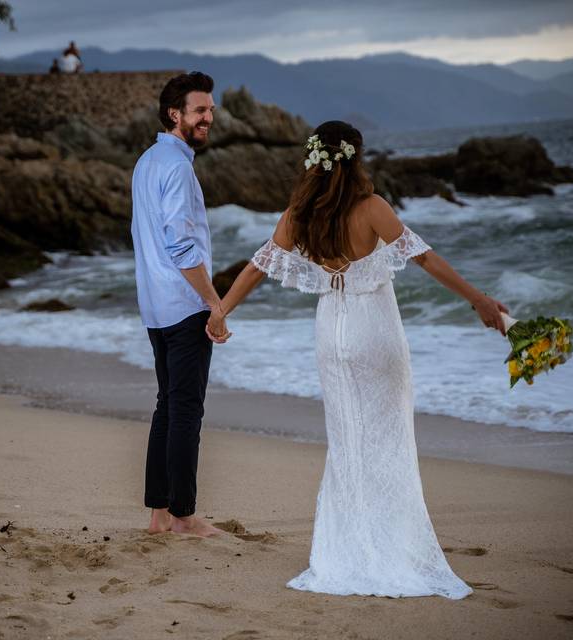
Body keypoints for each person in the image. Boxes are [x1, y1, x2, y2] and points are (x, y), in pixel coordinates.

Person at [212, 120, 509, 598]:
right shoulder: (371, 208)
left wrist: (221, 310)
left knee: (347, 442)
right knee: (389, 439)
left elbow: (258, 266)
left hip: (332, 333)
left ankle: (345, 550)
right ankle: (392, 547)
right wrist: (479, 299)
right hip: (376, 330)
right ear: (354, 158)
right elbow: (425, 258)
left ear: (313, 160)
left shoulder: (297, 215)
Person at [130, 72, 227, 538]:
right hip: (184, 306)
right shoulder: (177, 167)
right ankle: (184, 516)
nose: (209, 117)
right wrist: (214, 303)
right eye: (201, 110)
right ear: (176, 114)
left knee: (167, 406)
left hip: (154, 305)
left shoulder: (147, 162)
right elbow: (182, 245)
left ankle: (158, 516)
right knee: (185, 410)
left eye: (210, 109)